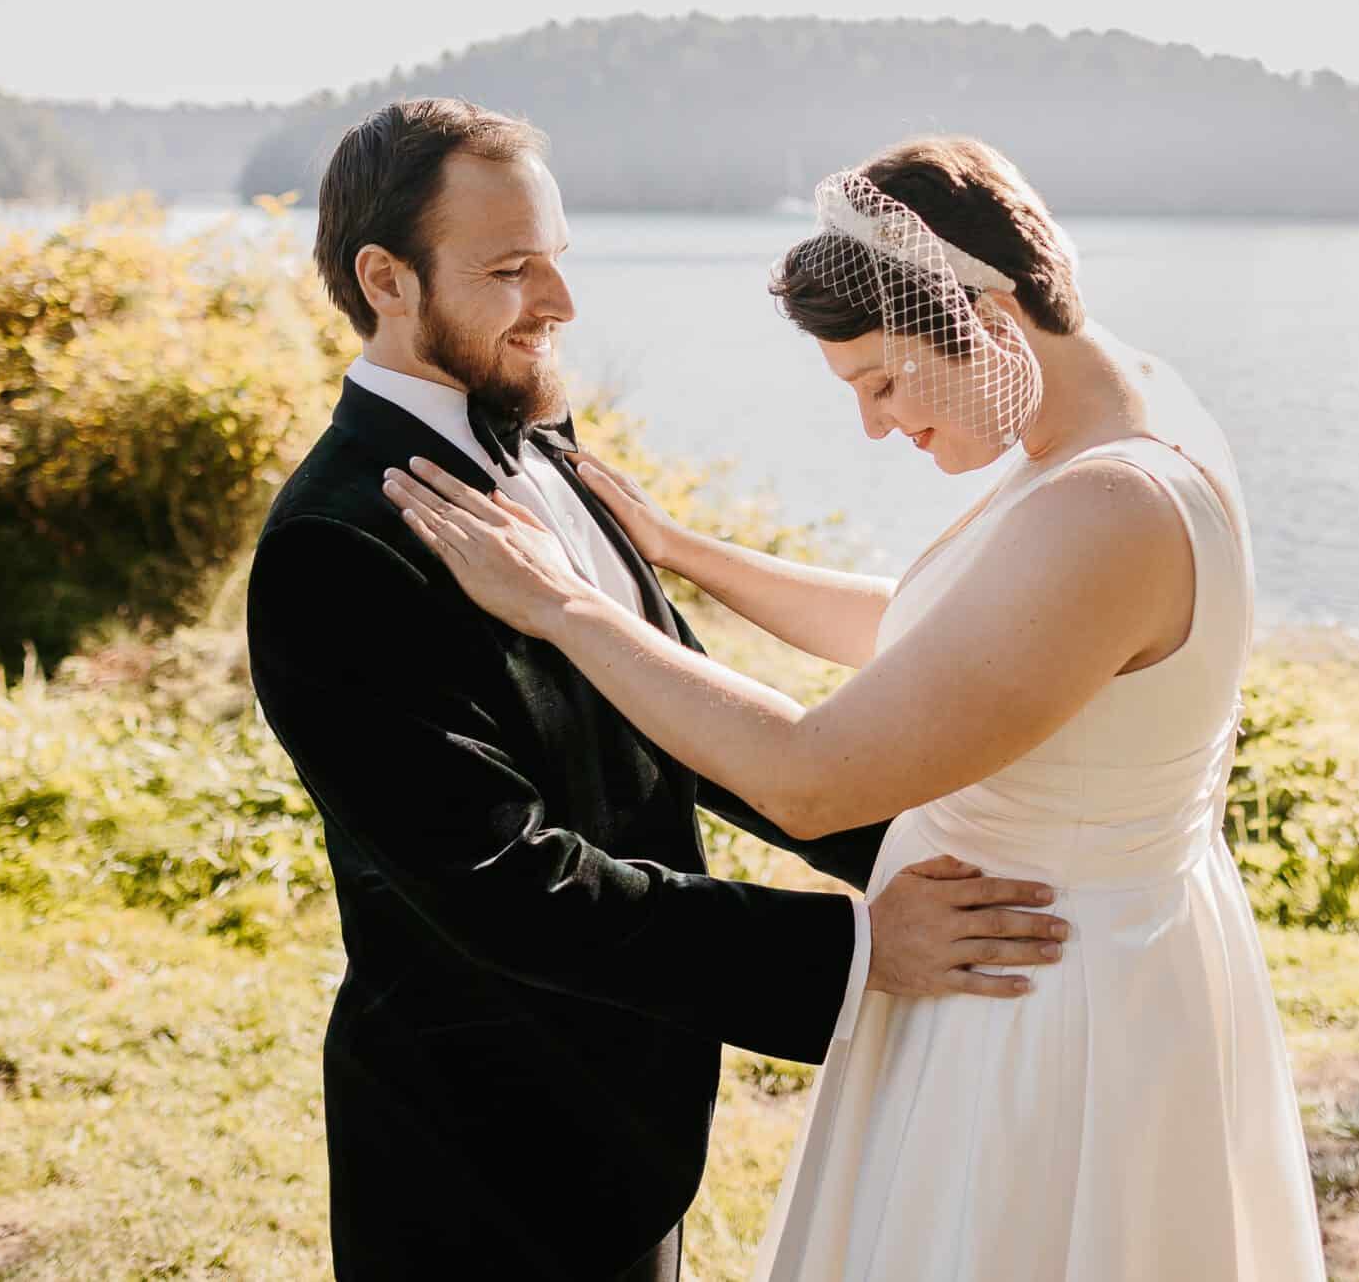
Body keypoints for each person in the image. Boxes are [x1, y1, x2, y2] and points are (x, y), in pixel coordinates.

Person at [384, 136, 1328, 1279]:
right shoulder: (1120, 419)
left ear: (982, 319)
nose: (876, 426)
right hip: (1033, 957)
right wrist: (685, 554)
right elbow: (952, 641)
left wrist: (565, 609)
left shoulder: (1109, 506)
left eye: (881, 381)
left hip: (1043, 1002)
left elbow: (809, 773)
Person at [246, 101, 1070, 1281]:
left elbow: (674, 718)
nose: (560, 304)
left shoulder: (553, 452)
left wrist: (919, 850)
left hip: (632, 1119)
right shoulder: (334, 546)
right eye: (511, 269)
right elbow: (499, 884)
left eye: (558, 261)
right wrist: (855, 947)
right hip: (473, 1152)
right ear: (386, 278)